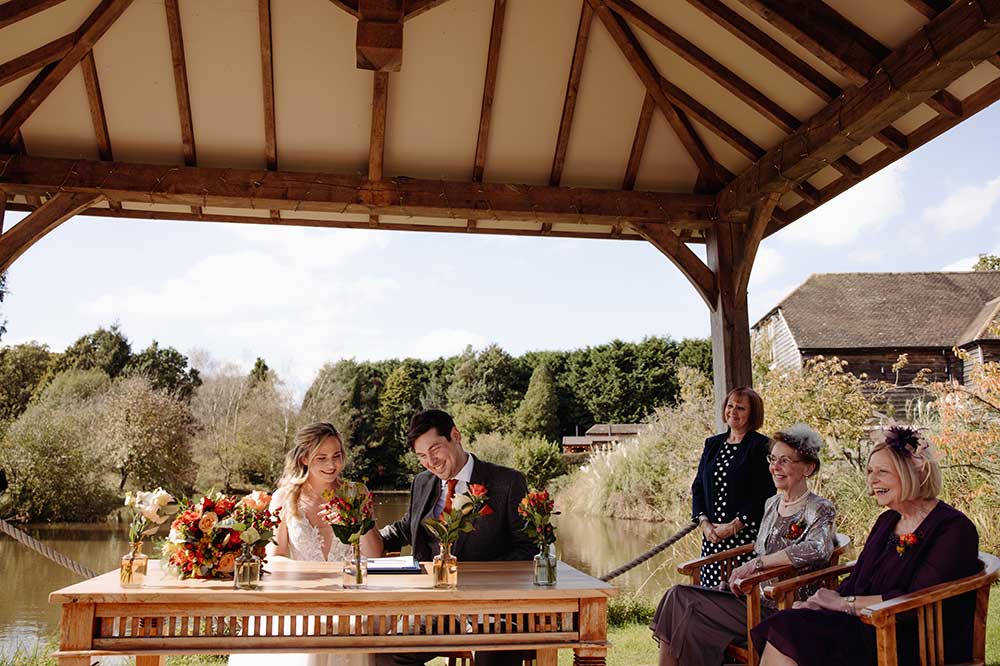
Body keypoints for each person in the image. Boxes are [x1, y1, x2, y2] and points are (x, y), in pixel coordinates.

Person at [753, 426, 981, 666]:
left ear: (914, 473)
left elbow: (915, 602)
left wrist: (843, 604)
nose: (872, 479)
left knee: (790, 629)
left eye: (883, 471)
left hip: (911, 640)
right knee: (791, 621)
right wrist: (817, 604)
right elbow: (859, 580)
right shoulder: (888, 521)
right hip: (867, 625)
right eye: (870, 471)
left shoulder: (953, 529)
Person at [652, 423, 836, 666]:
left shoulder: (819, 507)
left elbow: (818, 549)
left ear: (808, 468)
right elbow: (760, 548)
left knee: (684, 603)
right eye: (773, 459)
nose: (775, 467)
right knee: (676, 597)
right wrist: (736, 579)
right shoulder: (772, 503)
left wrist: (757, 565)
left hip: (781, 606)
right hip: (750, 598)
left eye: (785, 461)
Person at [377, 409, 535, 666]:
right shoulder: (422, 482)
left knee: (494, 654)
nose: (431, 462)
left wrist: (476, 580)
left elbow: (527, 547)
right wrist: (360, 531)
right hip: (436, 610)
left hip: (495, 607)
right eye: (421, 456)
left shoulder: (507, 482)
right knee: (387, 652)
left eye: (435, 449)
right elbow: (407, 528)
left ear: (455, 435)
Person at [230, 422, 381, 666]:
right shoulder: (285, 497)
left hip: (350, 599)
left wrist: (357, 522)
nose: (332, 465)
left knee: (349, 625)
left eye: (336, 456)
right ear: (304, 459)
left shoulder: (357, 493)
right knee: (311, 626)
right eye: (321, 458)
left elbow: (374, 553)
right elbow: (274, 556)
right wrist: (308, 580)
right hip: (303, 597)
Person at [691, 387, 775, 588]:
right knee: (710, 597)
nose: (733, 412)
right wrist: (704, 524)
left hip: (744, 538)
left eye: (740, 408)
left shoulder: (761, 446)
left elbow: (766, 494)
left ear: (752, 414)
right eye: (730, 406)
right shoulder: (712, 444)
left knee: (739, 597)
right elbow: (698, 486)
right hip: (712, 538)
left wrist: (733, 526)